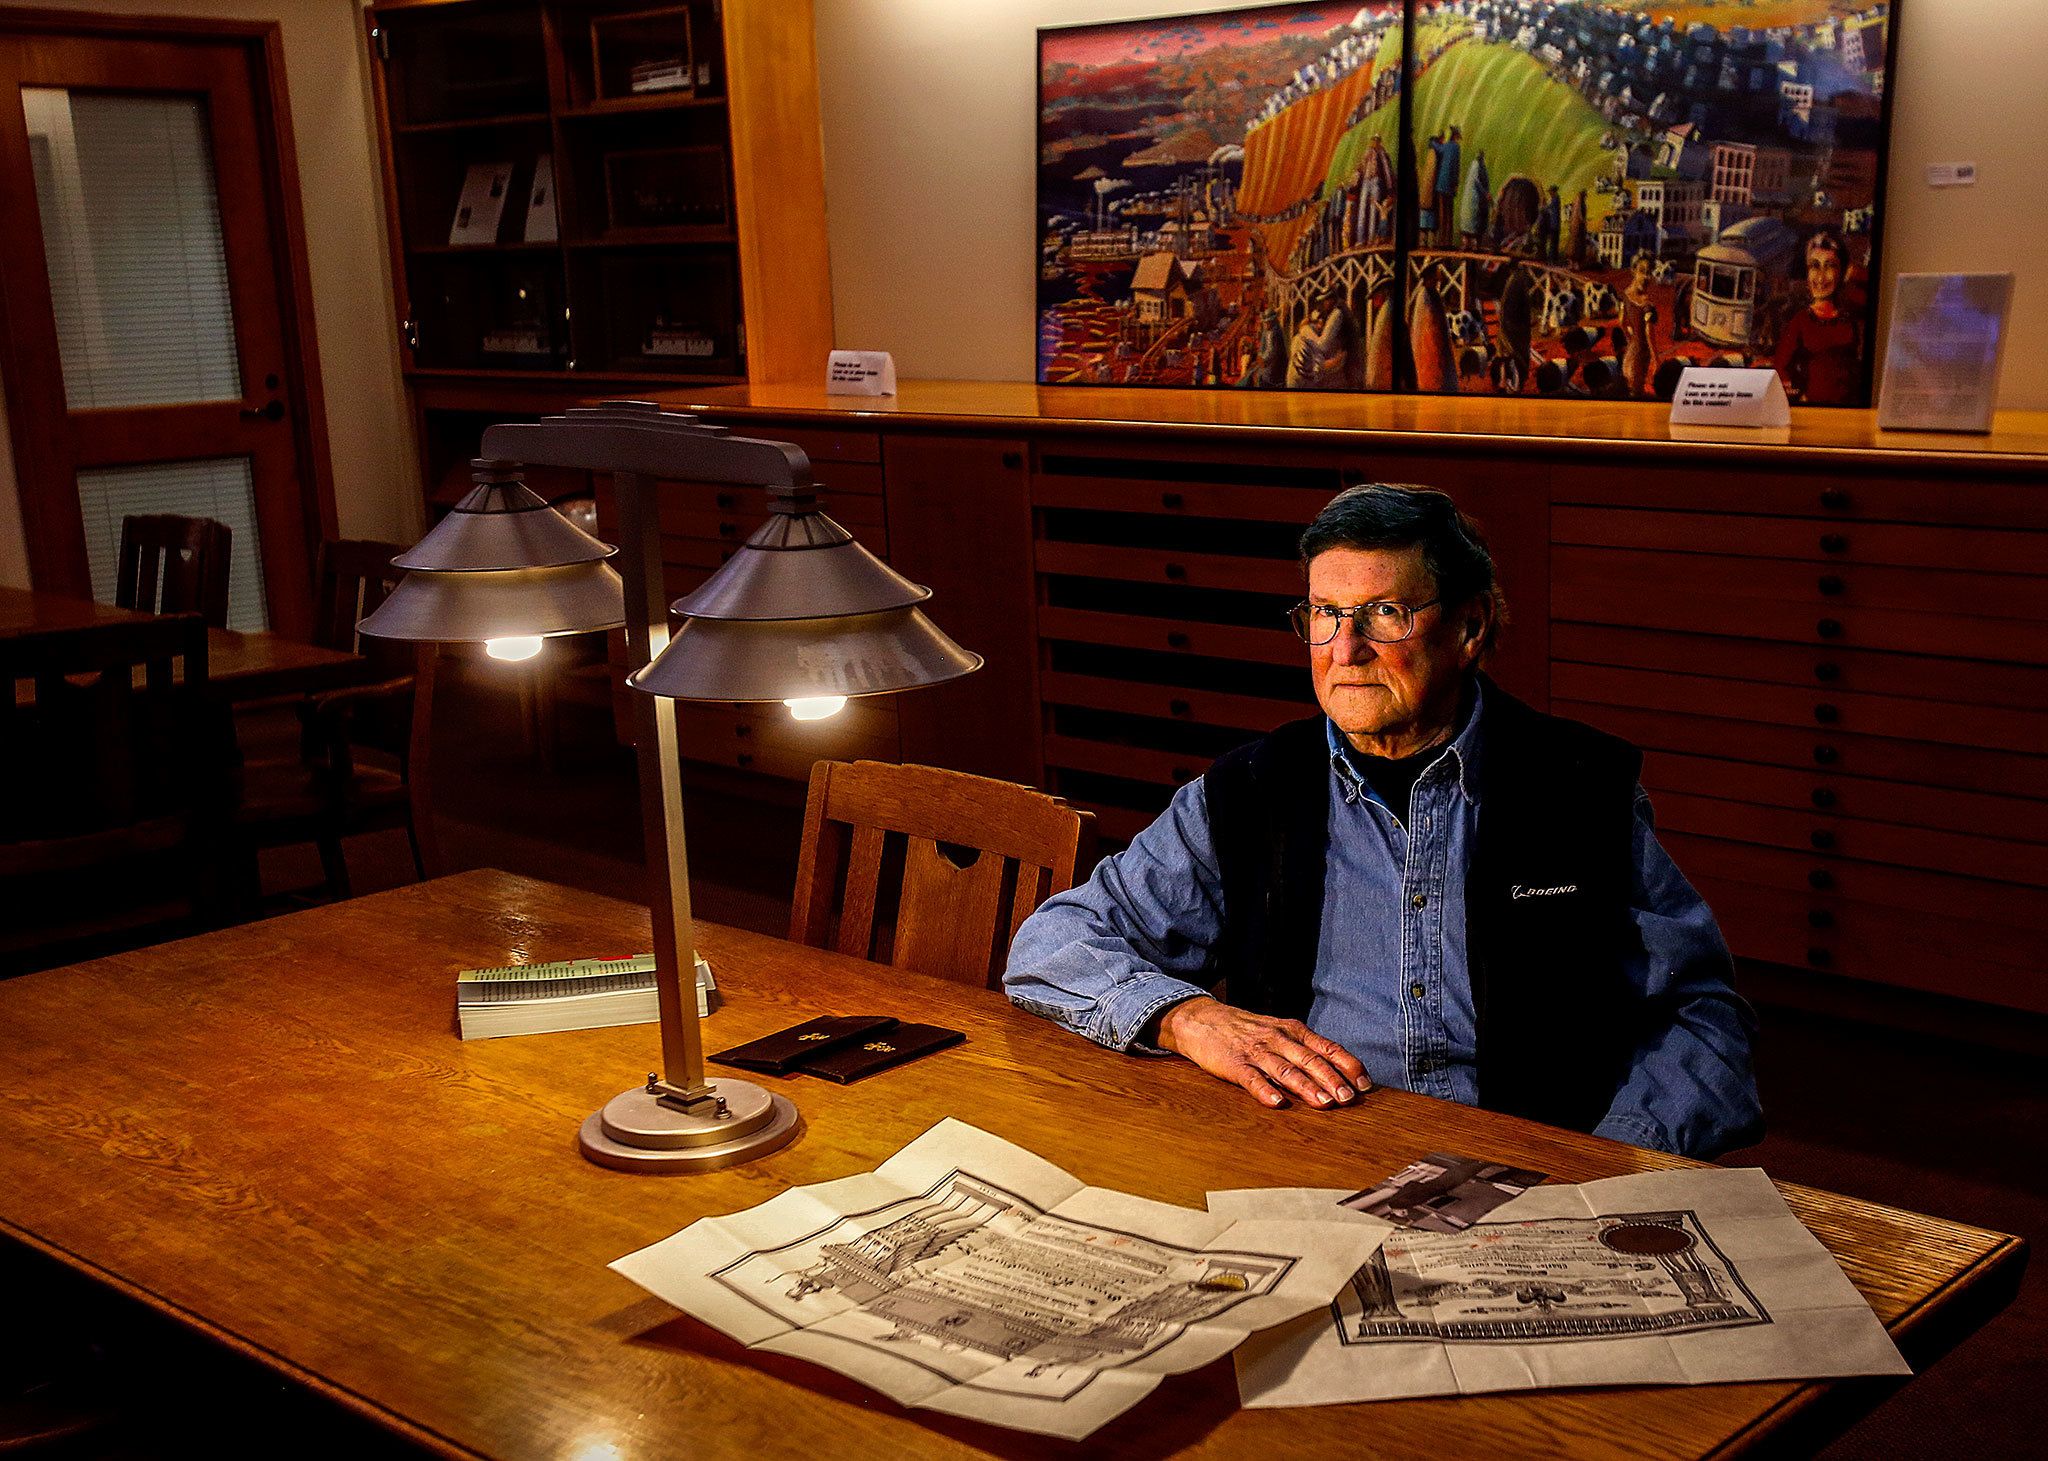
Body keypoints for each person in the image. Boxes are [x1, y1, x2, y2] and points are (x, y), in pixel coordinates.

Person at [1004, 484, 1763, 1160]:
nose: (1347, 650)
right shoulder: (1246, 792)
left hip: (1524, 1178)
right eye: (1326, 615)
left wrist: (1601, 1163)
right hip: (1309, 1156)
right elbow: (1050, 945)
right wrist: (1188, 1018)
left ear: (1469, 627)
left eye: (1384, 614)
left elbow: (1703, 1021)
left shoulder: (1578, 788)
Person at [1774, 230, 1861, 405]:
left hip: (1850, 414)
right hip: (1812, 412)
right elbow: (1780, 368)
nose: (1821, 277)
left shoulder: (1851, 319)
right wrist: (1799, 398)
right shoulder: (1800, 321)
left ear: (1842, 272)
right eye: (1814, 266)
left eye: (1830, 266)